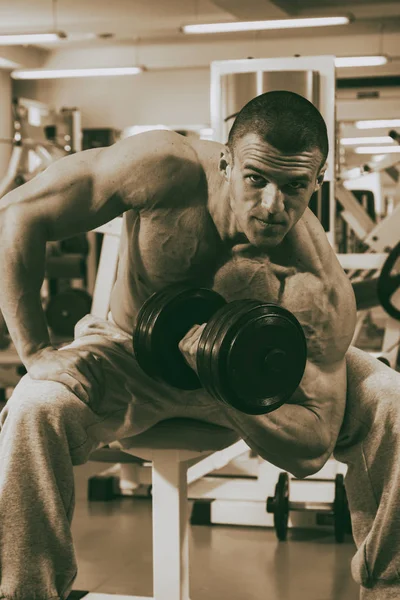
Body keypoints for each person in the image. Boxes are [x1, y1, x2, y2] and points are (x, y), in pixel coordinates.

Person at [0, 90, 397, 600]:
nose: (273, 207)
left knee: (389, 396)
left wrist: (226, 379)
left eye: (295, 186)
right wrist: (35, 350)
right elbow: (17, 215)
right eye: (256, 179)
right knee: (34, 404)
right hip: (129, 358)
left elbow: (312, 448)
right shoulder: (163, 168)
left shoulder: (314, 284)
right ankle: (27, 591)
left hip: (255, 384)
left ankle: (390, 588)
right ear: (227, 162)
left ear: (317, 182)